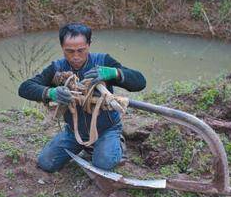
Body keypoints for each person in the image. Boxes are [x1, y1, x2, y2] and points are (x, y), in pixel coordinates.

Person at [18, 23, 146, 172]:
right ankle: (85, 145)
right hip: (74, 131)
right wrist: (50, 93)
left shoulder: (103, 61)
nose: (75, 56)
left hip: (106, 128)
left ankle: (117, 141)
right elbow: (25, 88)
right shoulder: (57, 68)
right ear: (62, 47)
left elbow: (140, 82)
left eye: (81, 50)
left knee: (103, 164)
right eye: (69, 51)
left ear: (89, 45)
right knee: (46, 162)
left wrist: (115, 73)